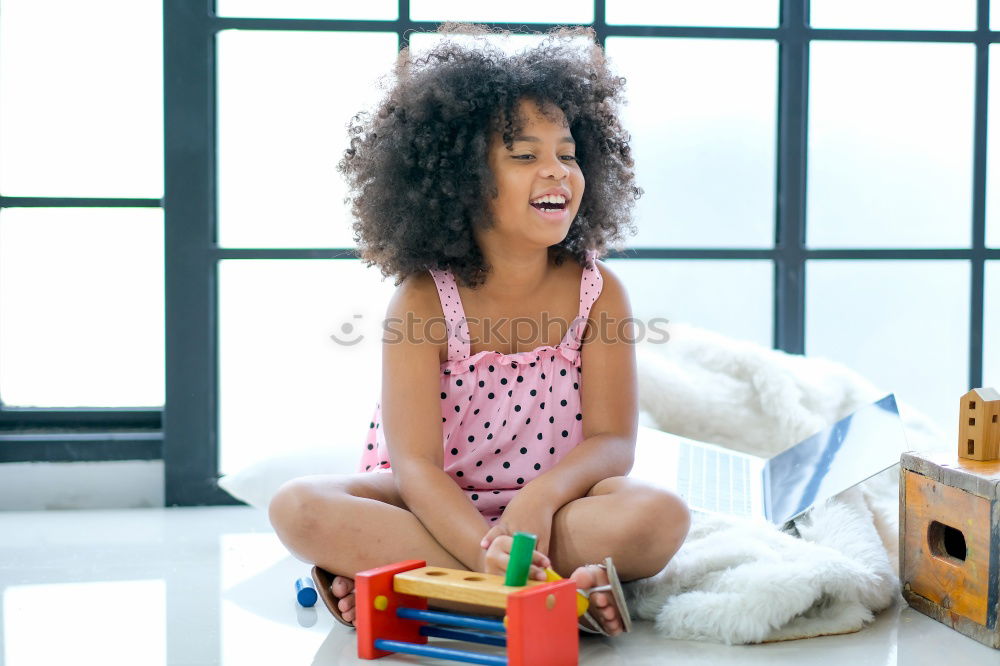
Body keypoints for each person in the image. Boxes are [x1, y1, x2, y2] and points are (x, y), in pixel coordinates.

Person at [268, 23, 690, 637]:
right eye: (525, 156)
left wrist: (539, 501)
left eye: (567, 154)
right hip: (429, 506)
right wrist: (480, 547)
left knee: (661, 516)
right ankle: (532, 594)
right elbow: (414, 467)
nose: (557, 172)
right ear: (463, 179)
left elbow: (611, 444)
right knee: (298, 507)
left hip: (555, 511)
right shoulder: (422, 300)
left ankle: (425, 589)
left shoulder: (599, 292)